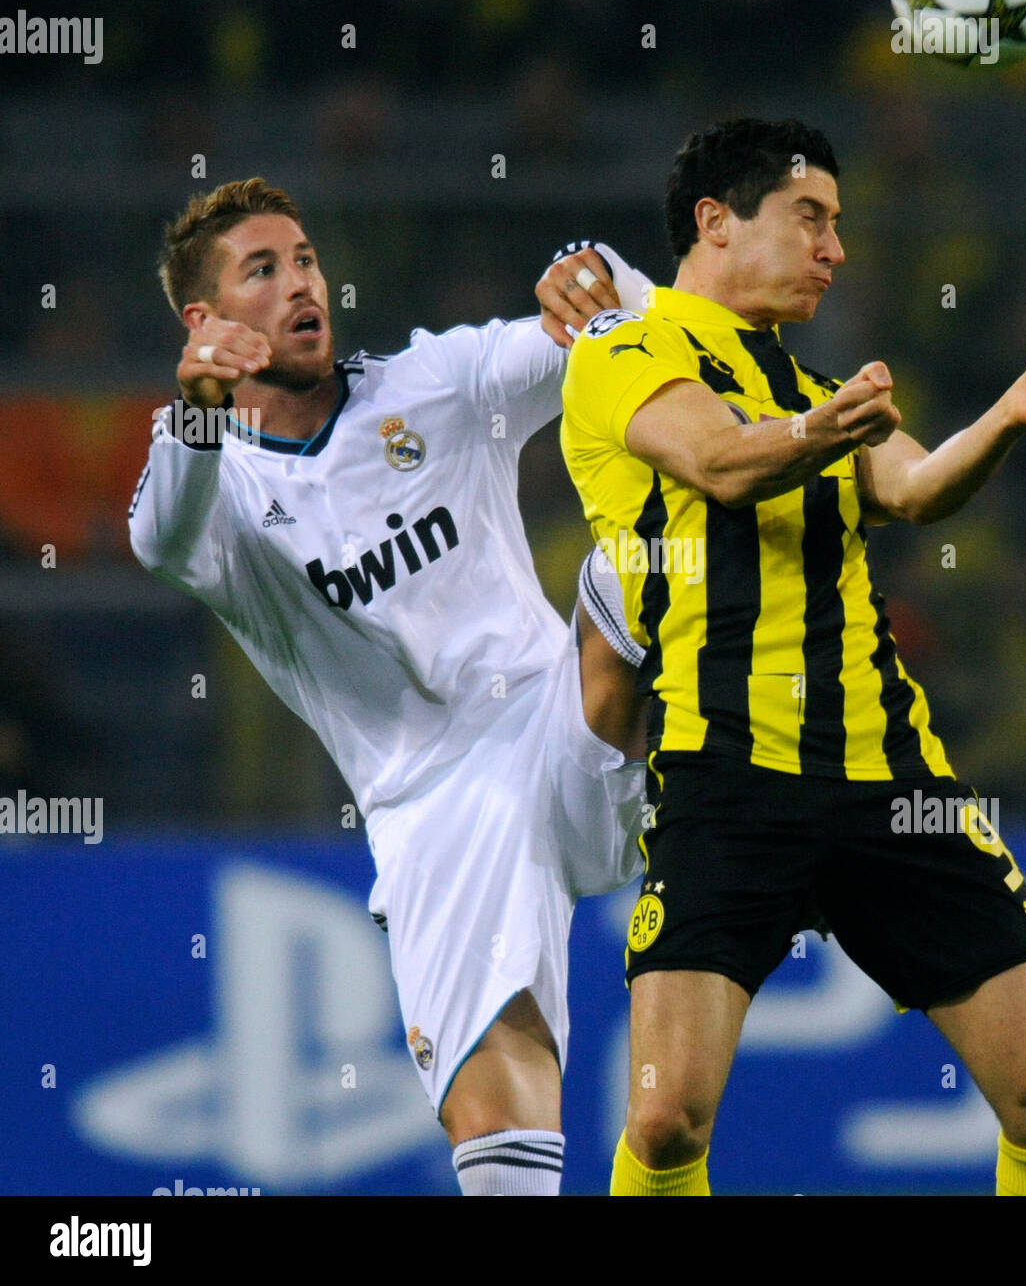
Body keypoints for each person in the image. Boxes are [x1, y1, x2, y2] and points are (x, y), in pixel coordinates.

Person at [560, 118, 1026, 1196]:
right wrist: (825, 426)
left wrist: (1009, 414)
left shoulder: (816, 384)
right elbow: (720, 461)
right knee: (667, 1115)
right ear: (715, 222)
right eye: (810, 217)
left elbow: (914, 488)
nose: (835, 248)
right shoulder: (621, 351)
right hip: (721, 772)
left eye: (838, 224)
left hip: (888, 778)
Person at [129, 178, 655, 1195]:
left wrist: (600, 273)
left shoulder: (433, 384)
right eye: (263, 270)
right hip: (431, 813)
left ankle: (769, 737)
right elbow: (162, 534)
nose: (300, 284)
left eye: (307, 260)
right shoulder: (222, 494)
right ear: (204, 320)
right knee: (500, 1148)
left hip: (557, 720)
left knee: (643, 551)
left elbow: (615, 324)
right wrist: (193, 406)